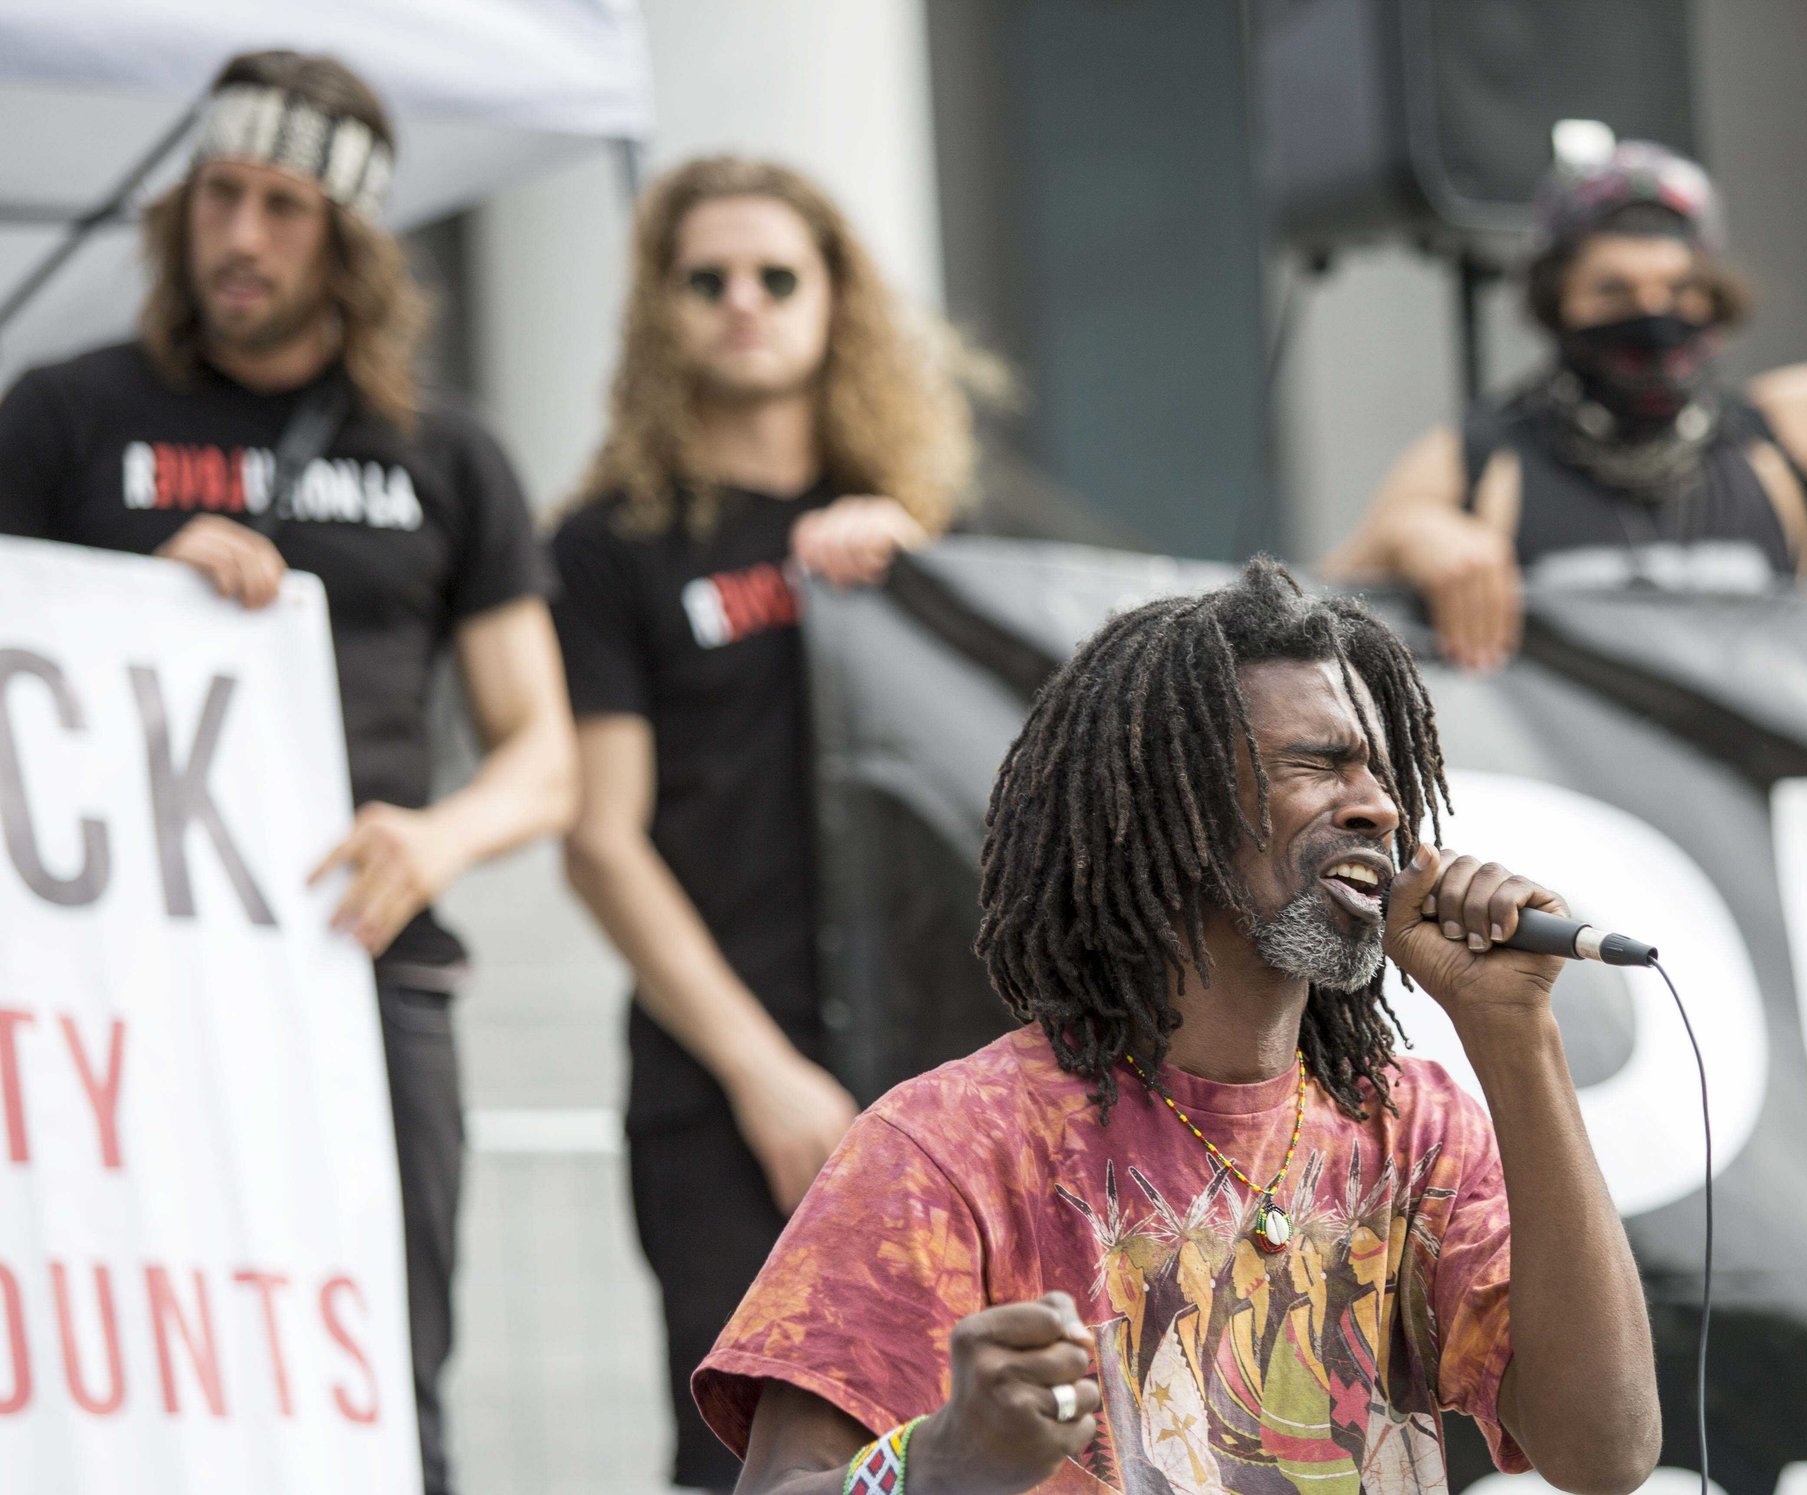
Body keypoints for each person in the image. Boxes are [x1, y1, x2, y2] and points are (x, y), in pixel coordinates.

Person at [693, 558, 1660, 1495]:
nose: (1378, 806)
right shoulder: (949, 1146)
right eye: (1318, 767)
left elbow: (1606, 1452)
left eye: (1379, 772)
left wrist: (1515, 1035)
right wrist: (941, 1464)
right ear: (1180, 805)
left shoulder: (1413, 1129)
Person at [0, 50, 576, 1495]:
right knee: (117, 1350)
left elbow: (545, 756)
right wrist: (124, 575)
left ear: (357, 247)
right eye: (218, 196)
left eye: (284, 208)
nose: (240, 236)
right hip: (113, 976)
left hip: (363, 969)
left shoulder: (449, 455)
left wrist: (438, 840)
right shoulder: (64, 412)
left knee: (386, 1369)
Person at [549, 155, 974, 1494]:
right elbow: (599, 838)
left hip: (932, 1072)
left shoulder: (928, 534)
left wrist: (920, 576)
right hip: (722, 1086)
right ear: (660, 314)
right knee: (750, 1447)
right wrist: (759, 1069)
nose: (743, 302)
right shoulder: (606, 546)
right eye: (706, 279)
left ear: (835, 303)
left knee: (977, 1431)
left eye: (776, 276)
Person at [1328, 39, 1807, 671]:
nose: (1652, 316)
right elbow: (1316, 628)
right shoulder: (1477, 459)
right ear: (1555, 304)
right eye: (1613, 291)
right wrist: (1413, 536)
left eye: (1679, 290)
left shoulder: (1785, 438)